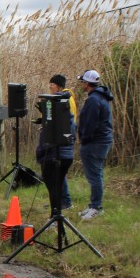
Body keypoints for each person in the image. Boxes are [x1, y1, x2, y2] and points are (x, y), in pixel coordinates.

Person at [76, 69, 114, 220]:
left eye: (83, 82)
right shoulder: (100, 97)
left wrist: (84, 139)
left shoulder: (93, 100)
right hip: (101, 141)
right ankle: (94, 205)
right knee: (96, 174)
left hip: (95, 143)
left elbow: (90, 123)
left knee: (95, 176)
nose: (81, 85)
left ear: (87, 83)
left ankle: (96, 207)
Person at [35, 87, 76, 214]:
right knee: (57, 187)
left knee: (53, 188)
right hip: (67, 156)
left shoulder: (53, 122)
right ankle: (57, 214)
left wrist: (40, 155)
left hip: (53, 157)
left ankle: (55, 216)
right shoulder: (69, 119)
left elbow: (46, 144)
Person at [48, 74, 78, 209]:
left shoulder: (65, 99)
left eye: (52, 85)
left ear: (59, 86)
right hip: (63, 137)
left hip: (64, 139)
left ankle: (65, 201)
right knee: (57, 171)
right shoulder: (62, 98)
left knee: (59, 171)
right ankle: (59, 200)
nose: (50, 87)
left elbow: (66, 120)